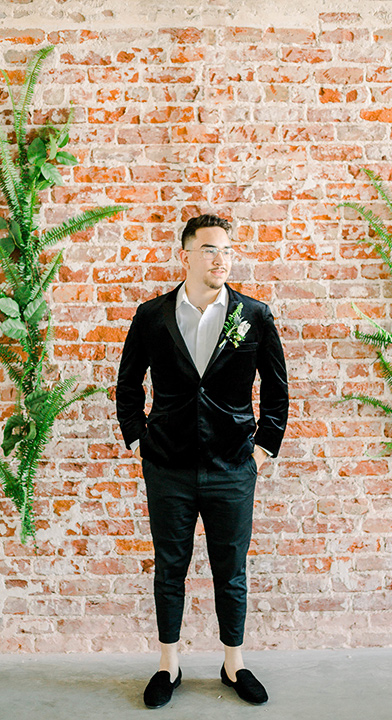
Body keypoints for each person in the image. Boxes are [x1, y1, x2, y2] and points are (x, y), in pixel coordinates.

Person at [116, 214, 288, 708]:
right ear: (185, 255)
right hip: (167, 466)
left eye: (227, 250)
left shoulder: (253, 315)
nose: (222, 258)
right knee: (170, 567)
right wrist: (137, 440)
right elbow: (128, 385)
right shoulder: (152, 316)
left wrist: (260, 450)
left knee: (230, 569)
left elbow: (277, 392)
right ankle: (168, 665)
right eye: (211, 249)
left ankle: (234, 664)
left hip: (233, 467)